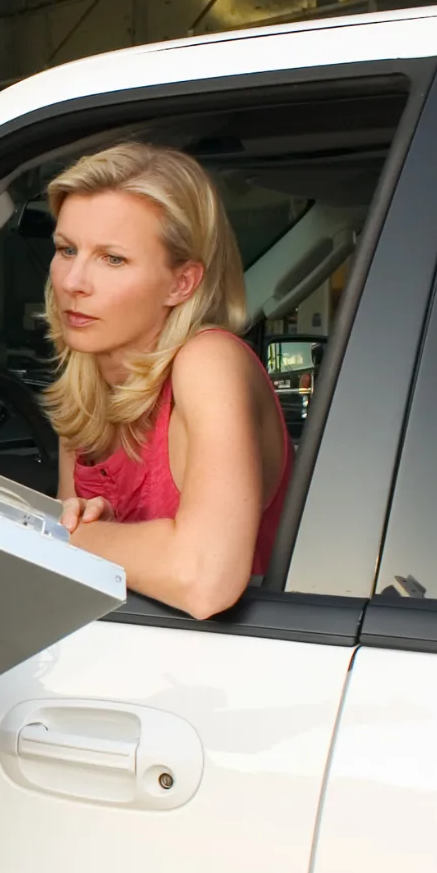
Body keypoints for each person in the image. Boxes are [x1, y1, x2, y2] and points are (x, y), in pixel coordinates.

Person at [43, 142, 292, 620]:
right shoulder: (87, 380)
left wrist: (53, 532)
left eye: (112, 259)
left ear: (182, 283)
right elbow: (66, 563)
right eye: (66, 249)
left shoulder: (207, 360)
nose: (73, 280)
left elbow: (204, 579)